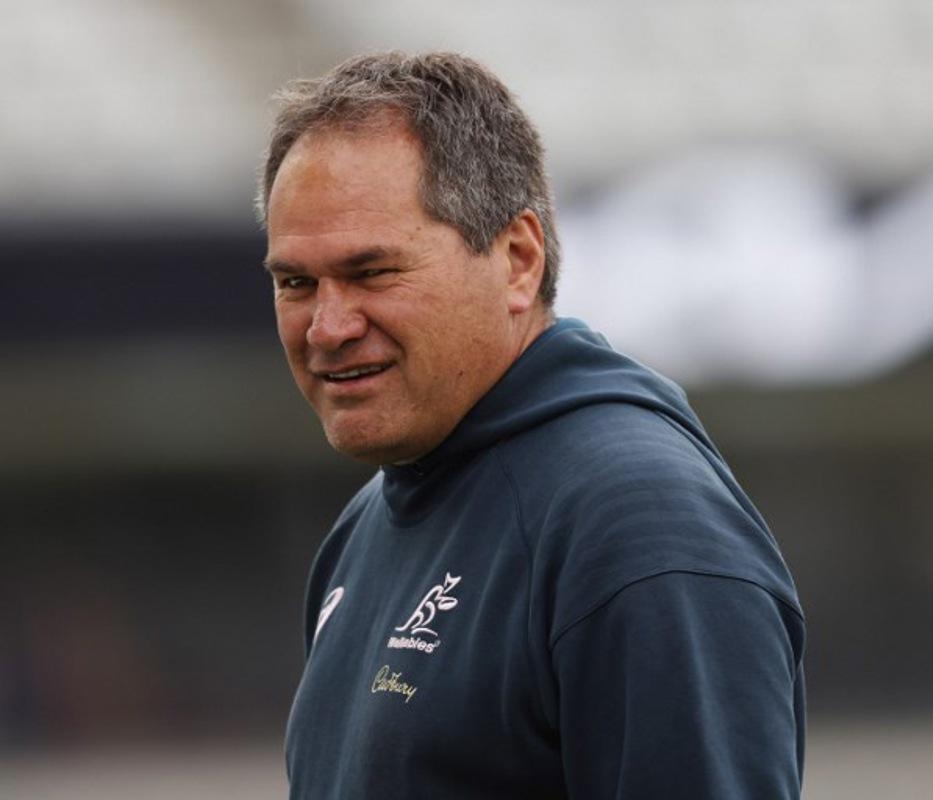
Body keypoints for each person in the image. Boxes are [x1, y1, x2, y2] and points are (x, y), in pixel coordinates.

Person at [258, 51, 806, 799]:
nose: (327, 326)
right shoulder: (367, 526)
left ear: (518, 259)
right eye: (296, 283)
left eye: (372, 272)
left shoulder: (639, 523)